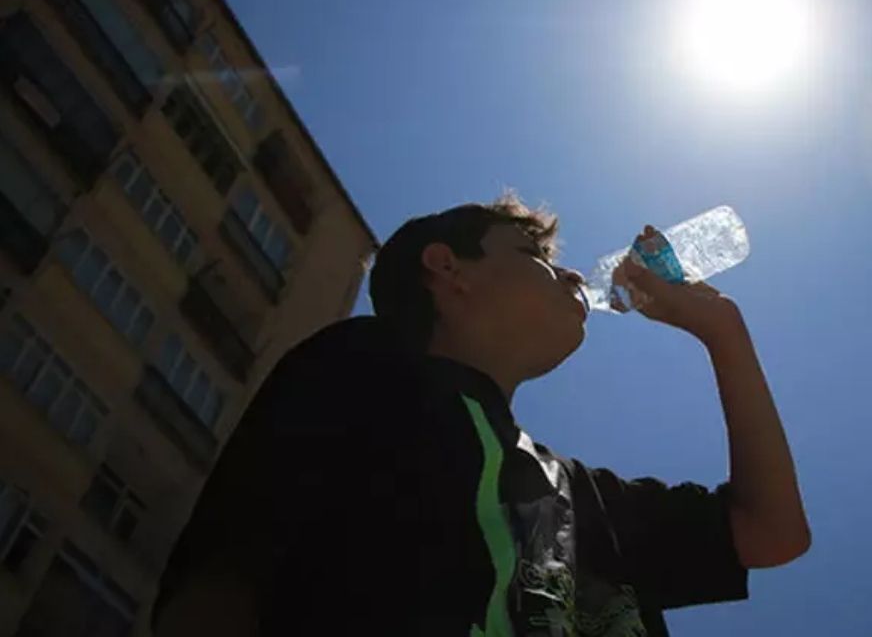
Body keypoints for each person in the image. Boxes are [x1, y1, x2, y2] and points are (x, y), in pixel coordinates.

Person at [152, 193, 810, 636]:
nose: (577, 277)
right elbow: (228, 577)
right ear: (447, 269)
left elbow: (772, 533)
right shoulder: (366, 367)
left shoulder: (577, 497)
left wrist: (723, 330)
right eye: (537, 259)